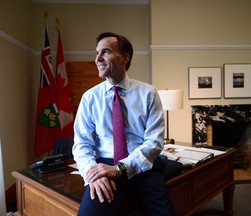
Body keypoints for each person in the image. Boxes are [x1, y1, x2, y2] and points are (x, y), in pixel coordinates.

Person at [72, 32, 175, 216]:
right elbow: (81, 143)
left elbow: (154, 142)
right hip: (104, 164)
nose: (98, 59)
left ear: (125, 58)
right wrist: (92, 175)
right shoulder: (90, 98)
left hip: (145, 166)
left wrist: (120, 169)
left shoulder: (148, 93)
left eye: (106, 52)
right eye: (97, 53)